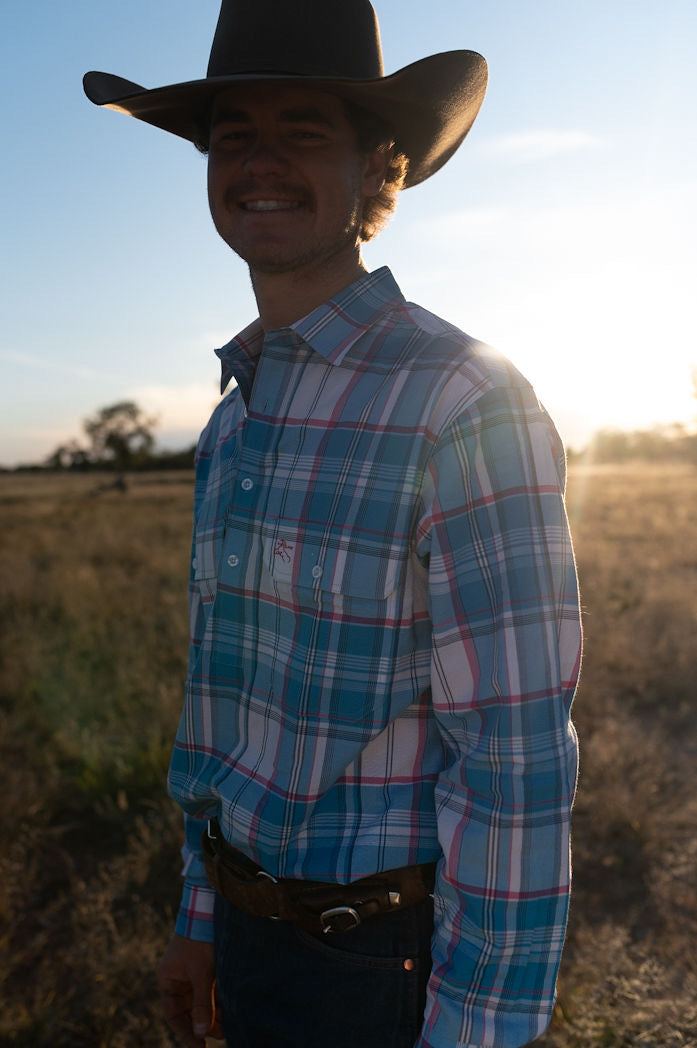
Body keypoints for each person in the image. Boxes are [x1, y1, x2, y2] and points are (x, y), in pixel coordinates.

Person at [84, 2, 581, 1046]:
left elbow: (514, 764)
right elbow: (223, 709)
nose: (259, 161)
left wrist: (475, 1034)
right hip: (251, 945)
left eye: (303, 129)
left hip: (380, 968)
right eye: (233, 135)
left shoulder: (461, 400)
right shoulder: (233, 422)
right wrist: (200, 919)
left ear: (378, 170)